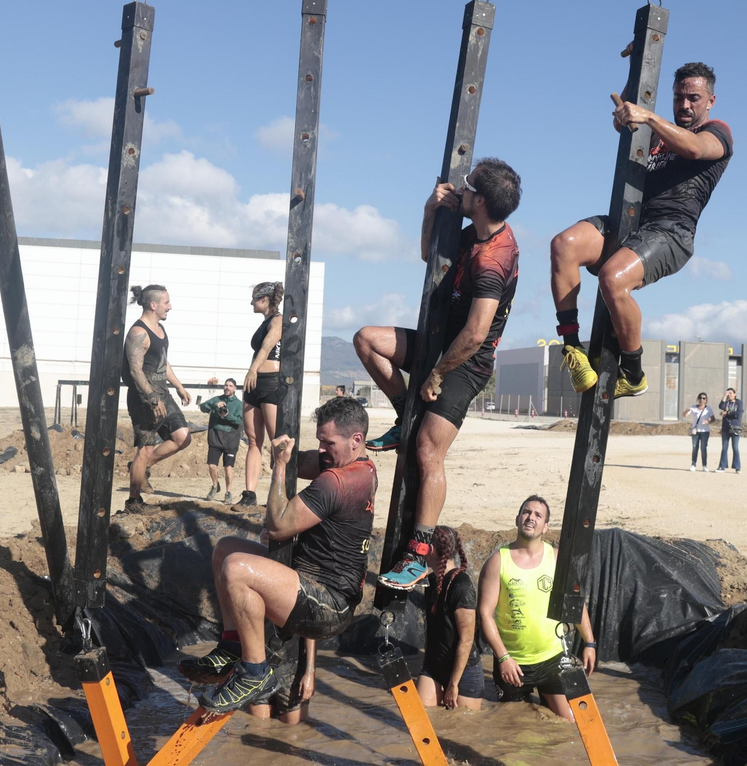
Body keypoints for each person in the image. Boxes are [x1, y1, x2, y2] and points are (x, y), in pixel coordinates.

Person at [353, 157, 523, 591]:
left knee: (428, 450)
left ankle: (420, 553)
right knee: (367, 340)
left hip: (465, 362)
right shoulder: (473, 232)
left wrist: (435, 375)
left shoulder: (494, 260)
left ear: (480, 201)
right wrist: (430, 210)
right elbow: (430, 256)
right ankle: (400, 415)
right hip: (435, 342)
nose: (459, 191)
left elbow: (475, 333)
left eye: (467, 189)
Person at [177, 396, 378, 713]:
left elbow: (280, 525)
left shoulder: (337, 482)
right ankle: (232, 644)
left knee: (236, 568)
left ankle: (254, 673)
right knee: (226, 548)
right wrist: (282, 448)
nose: (322, 450)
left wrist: (280, 465)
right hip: (310, 582)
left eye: (328, 443)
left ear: (356, 440)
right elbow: (306, 461)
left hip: (327, 603)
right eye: (320, 442)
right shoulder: (359, 466)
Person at [550, 63, 734, 398]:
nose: (685, 105)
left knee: (613, 278)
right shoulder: (658, 136)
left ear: (710, 101)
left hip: (671, 233)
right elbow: (625, 117)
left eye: (694, 98)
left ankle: (633, 374)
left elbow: (694, 149)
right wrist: (637, 68)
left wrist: (648, 117)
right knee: (564, 245)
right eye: (679, 97)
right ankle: (573, 348)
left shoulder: (717, 133)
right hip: (629, 224)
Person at [478, 495, 596, 722]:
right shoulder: (498, 561)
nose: (531, 518)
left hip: (552, 659)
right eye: (526, 512)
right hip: (513, 664)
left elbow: (574, 604)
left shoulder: (556, 559)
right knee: (512, 728)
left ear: (545, 527)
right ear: (517, 519)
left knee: (570, 723)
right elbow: (485, 614)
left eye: (537, 515)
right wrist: (503, 658)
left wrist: (589, 642)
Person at [122, 285, 192, 514]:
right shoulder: (138, 333)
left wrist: (179, 386)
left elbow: (163, 362)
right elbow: (135, 370)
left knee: (183, 437)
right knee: (145, 448)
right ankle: (134, 502)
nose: (169, 307)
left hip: (164, 393)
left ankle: (141, 467)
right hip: (144, 399)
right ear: (153, 305)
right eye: (166, 303)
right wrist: (151, 398)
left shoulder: (160, 329)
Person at [417, 525, 483, 710]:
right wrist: (425, 667)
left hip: (464, 672)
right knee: (423, 715)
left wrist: (453, 685)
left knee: (462, 726)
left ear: (431, 550)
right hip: (434, 667)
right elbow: (432, 631)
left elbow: (467, 640)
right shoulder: (431, 582)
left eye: (423, 548)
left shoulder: (462, 585)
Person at [239, 282, 285, 509]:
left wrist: (252, 370)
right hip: (253, 385)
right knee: (253, 441)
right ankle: (249, 494)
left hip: (270, 383)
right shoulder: (264, 322)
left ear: (265, 300)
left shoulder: (278, 320)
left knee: (278, 442)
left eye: (254, 299)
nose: (251, 303)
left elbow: (267, 348)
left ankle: (278, 495)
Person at [199, 379, 244, 502]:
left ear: (235, 388)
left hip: (231, 440)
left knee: (228, 467)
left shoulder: (239, 404)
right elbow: (202, 407)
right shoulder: (217, 399)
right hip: (215, 438)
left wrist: (227, 415)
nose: (227, 387)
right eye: (226, 385)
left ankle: (228, 492)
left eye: (230, 386)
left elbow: (240, 421)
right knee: (212, 465)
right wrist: (214, 405)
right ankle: (215, 486)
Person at [682, 392, 714, 471]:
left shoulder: (708, 409)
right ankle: (693, 464)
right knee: (695, 447)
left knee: (703, 448)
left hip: (705, 431)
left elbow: (713, 419)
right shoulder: (693, 407)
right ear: (698, 399)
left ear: (706, 400)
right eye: (700, 398)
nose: (702, 400)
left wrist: (708, 422)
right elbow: (685, 415)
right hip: (695, 431)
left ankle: (704, 465)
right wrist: (686, 411)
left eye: (704, 398)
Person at [717, 387, 743, 473]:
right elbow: (721, 406)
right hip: (726, 428)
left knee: (735, 447)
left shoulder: (738, 403)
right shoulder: (726, 403)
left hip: (735, 428)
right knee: (724, 447)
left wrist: (727, 413)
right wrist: (724, 396)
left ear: (735, 394)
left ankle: (737, 467)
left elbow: (738, 414)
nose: (730, 395)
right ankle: (722, 466)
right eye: (728, 393)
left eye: (731, 393)